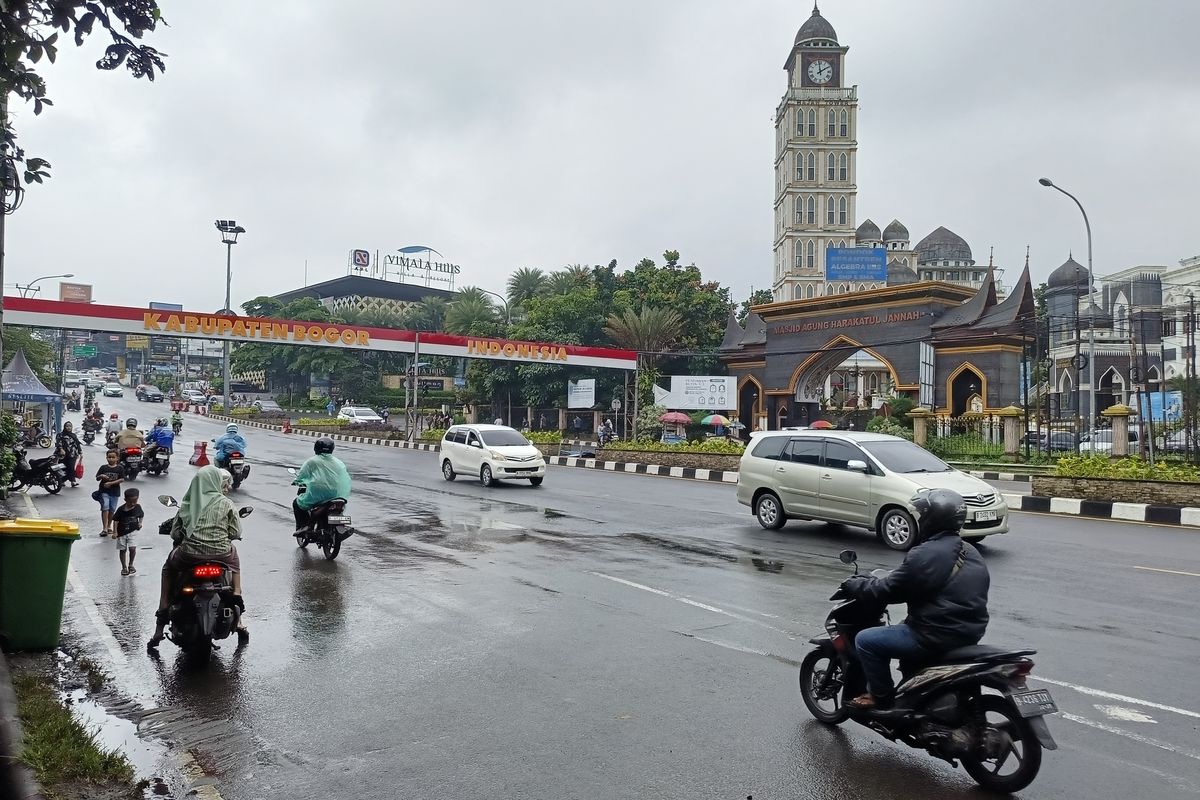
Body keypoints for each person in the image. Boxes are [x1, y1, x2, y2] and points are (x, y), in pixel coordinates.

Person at [841, 489, 990, 711]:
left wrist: (857, 585)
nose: (919, 519)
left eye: (922, 515)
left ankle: (880, 697)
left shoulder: (925, 554)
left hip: (932, 634)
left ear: (931, 519)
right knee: (901, 631)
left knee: (866, 640)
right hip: (969, 631)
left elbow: (890, 590)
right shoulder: (970, 551)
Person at [148, 466, 245, 649]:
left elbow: (176, 534)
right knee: (235, 563)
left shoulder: (188, 503)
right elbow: (236, 531)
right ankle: (238, 601)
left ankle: (160, 624)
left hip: (189, 555)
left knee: (168, 570)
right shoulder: (226, 503)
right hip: (222, 554)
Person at [291, 437, 352, 533]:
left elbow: (302, 475)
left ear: (316, 448)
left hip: (318, 493)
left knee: (297, 503)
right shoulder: (339, 462)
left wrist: (297, 481)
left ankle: (304, 526)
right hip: (337, 493)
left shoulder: (312, 461)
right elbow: (345, 477)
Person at [112, 487, 143, 576]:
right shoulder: (121, 510)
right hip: (121, 532)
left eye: (135, 501)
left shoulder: (138, 507)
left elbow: (141, 515)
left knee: (132, 548)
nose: (133, 503)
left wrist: (140, 523)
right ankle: (124, 567)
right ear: (125, 500)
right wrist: (115, 532)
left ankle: (131, 565)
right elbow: (116, 521)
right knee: (123, 550)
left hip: (133, 531)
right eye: (130, 501)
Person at [94, 450, 124, 537]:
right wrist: (101, 476)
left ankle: (109, 525)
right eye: (109, 457)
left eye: (113, 457)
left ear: (117, 458)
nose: (111, 459)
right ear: (106, 457)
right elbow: (97, 478)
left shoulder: (120, 468)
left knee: (112, 509)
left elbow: (122, 479)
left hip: (115, 492)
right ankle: (104, 528)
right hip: (104, 491)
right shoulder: (103, 468)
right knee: (105, 507)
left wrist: (111, 483)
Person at [55, 421, 83, 488]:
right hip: (63, 454)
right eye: (67, 426)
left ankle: (73, 481)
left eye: (70, 426)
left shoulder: (73, 435)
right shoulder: (60, 435)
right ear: (64, 427)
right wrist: (61, 449)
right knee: (62, 467)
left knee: (71, 467)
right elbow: (58, 443)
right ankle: (62, 481)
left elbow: (77, 444)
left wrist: (80, 452)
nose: (68, 427)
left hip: (72, 454)